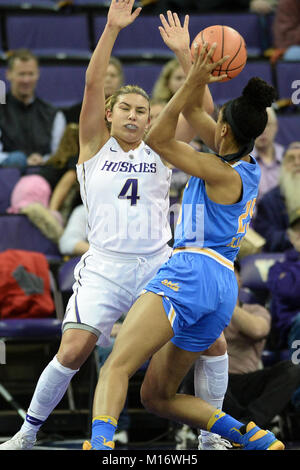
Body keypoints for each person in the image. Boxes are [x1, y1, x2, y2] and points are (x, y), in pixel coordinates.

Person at [0, 1, 214, 451]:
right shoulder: (94, 147)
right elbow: (93, 81)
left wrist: (185, 56)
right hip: (104, 267)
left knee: (208, 342)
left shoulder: (163, 149)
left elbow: (205, 115)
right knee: (73, 350)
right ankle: (27, 433)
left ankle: (211, 438)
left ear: (151, 118)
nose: (135, 116)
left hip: (159, 264)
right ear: (110, 114)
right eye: (127, 109)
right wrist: (112, 29)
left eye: (143, 110)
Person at [82, 8, 284, 450]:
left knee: (117, 365)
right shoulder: (242, 161)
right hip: (221, 287)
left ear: (224, 132)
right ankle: (252, 438)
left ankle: (98, 447)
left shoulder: (218, 169)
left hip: (188, 273)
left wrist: (196, 75)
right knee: (158, 395)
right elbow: (194, 108)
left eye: (218, 125)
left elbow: (160, 137)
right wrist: (188, 60)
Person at [222, 261, 300, 431]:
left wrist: (226, 303)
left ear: (240, 281)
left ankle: (247, 426)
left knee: (294, 368)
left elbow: (258, 330)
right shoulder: (204, 311)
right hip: (215, 382)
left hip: (248, 382)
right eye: (220, 273)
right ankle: (240, 427)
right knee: (193, 373)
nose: (224, 278)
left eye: (230, 273)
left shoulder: (256, 310)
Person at [0, 49, 66, 171]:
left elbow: (58, 155)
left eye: (31, 74)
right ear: (9, 74)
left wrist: (44, 160)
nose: (26, 80)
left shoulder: (53, 114)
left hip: (43, 175)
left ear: (38, 74)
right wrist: (21, 161)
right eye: (21, 74)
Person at [252, 142, 300, 252]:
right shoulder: (269, 201)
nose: (297, 163)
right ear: (283, 166)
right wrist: (291, 237)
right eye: (291, 159)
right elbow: (266, 238)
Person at [267, 208, 300, 358]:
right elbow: (290, 293)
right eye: (298, 231)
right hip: (290, 326)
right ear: (290, 236)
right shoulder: (277, 268)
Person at [63, 56, 125, 124]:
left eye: (112, 75)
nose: (108, 80)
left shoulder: (126, 109)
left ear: (120, 80)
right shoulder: (77, 112)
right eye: (104, 75)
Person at [251, 107, 285, 201]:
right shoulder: (243, 162)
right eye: (257, 125)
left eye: (267, 124)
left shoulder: (289, 157)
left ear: (276, 127)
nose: (262, 130)